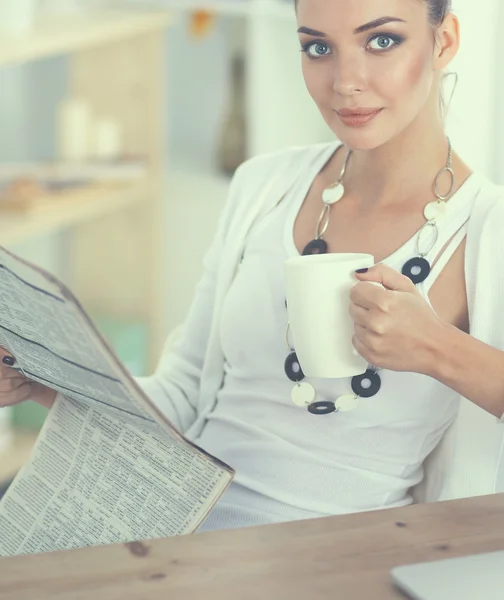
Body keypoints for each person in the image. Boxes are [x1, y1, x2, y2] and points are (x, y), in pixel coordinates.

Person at [1, 0, 504, 532]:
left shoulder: (486, 228)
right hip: (174, 531)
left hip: (338, 559)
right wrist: (48, 381)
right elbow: (184, 391)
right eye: (318, 48)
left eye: (381, 41)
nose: (345, 81)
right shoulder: (264, 187)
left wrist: (435, 348)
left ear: (443, 40)